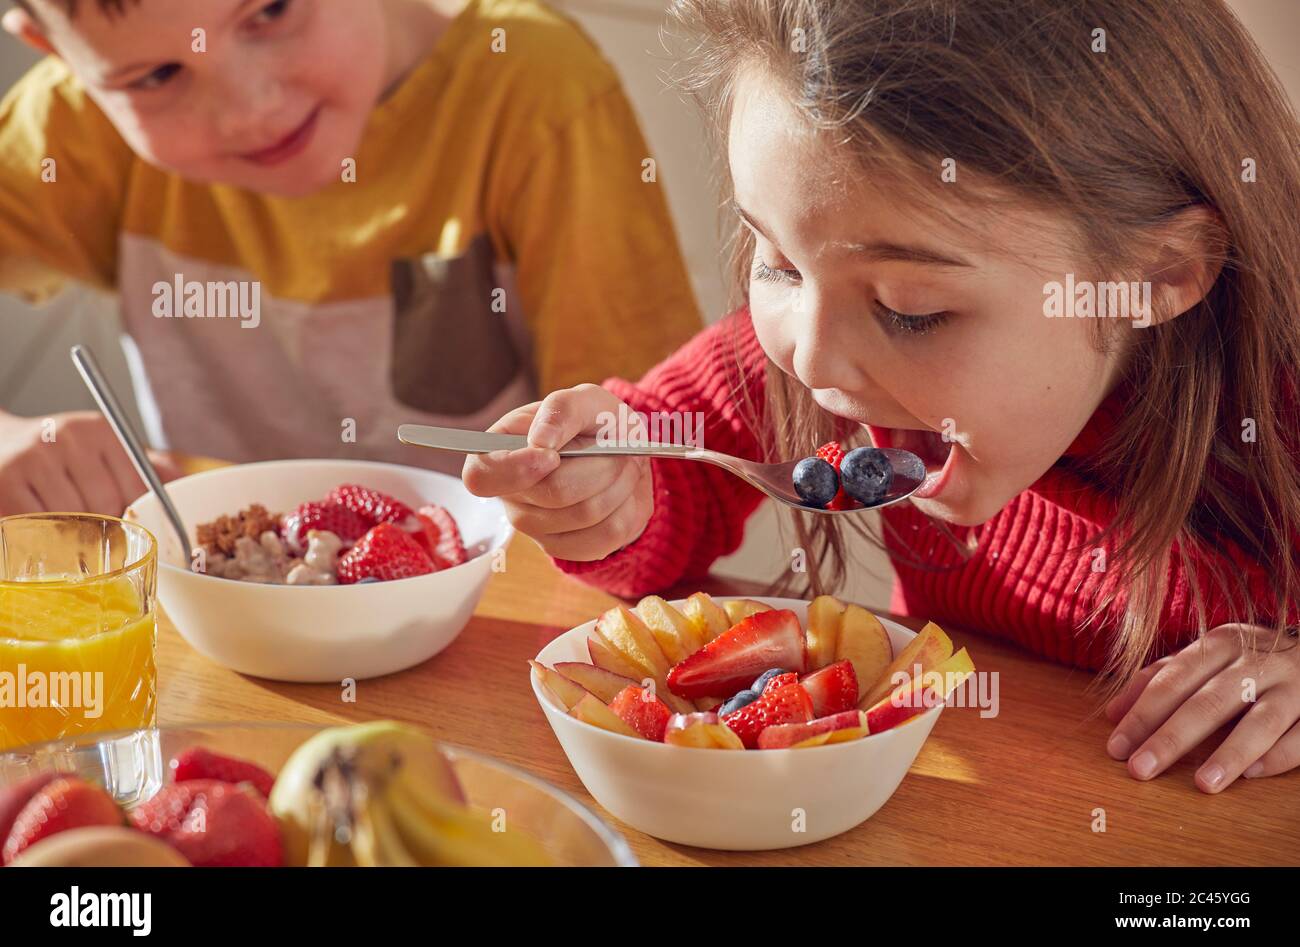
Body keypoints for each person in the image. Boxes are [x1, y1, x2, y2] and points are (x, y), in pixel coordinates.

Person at [464, 0, 1300, 792]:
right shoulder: (832, 340)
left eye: (911, 310)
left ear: (1157, 275)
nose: (815, 359)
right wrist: (616, 488)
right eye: (778, 264)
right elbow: (675, 471)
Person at [0, 0, 701, 515]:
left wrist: (607, 495)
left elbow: (665, 457)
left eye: (270, 11)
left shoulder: (538, 91)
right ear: (53, 49)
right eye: (155, 77)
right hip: (216, 643)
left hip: (489, 635)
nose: (250, 109)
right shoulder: (71, 124)